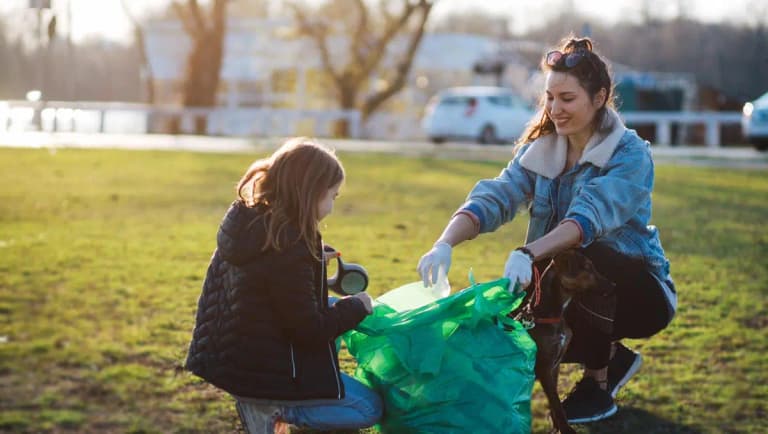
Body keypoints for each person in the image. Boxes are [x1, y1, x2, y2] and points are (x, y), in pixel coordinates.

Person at [417, 36, 676, 424]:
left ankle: (597, 385)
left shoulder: (630, 154)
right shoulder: (540, 149)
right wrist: (444, 242)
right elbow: (497, 196)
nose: (555, 109)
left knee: (587, 254)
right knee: (511, 333)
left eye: (567, 99)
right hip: (562, 281)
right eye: (550, 98)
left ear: (600, 96)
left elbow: (587, 219)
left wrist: (527, 253)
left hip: (641, 295)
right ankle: (612, 356)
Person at [185, 138, 383, 433]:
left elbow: (274, 290)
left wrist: (314, 263)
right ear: (310, 194)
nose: (332, 205)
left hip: (231, 361)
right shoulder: (290, 247)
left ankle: (274, 399)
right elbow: (308, 331)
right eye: (333, 196)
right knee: (369, 408)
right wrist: (357, 306)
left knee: (329, 305)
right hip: (260, 376)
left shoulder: (250, 224)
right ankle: (277, 408)